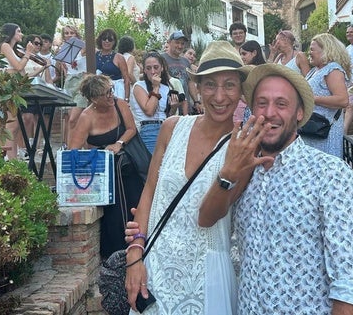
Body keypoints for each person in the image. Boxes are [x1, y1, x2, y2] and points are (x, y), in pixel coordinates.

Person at [197, 63, 353, 314]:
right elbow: (206, 221)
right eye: (262, 103)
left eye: (281, 104)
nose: (269, 113)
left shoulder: (330, 174)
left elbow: (349, 282)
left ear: (299, 112)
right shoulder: (244, 171)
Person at [124, 41, 252, 314]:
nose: (219, 96)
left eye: (229, 85)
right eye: (210, 85)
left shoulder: (242, 147)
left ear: (242, 90)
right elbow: (150, 192)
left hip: (208, 274)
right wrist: (135, 253)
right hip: (155, 265)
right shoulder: (172, 128)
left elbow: (218, 211)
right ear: (197, 88)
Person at [68, 74, 143, 259]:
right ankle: (115, 254)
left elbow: (131, 129)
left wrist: (119, 143)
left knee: (137, 203)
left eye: (111, 90)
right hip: (106, 174)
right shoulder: (86, 117)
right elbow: (73, 149)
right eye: (105, 94)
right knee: (113, 214)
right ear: (94, 99)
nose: (111, 96)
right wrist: (96, 152)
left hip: (128, 166)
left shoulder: (120, 105)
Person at [0, 23, 47, 160]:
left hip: (16, 87)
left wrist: (42, 68)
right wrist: (28, 53)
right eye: (18, 31)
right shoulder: (5, 46)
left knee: (16, 124)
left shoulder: (14, 49)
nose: (21, 34)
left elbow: (23, 73)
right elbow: (18, 66)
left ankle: (12, 158)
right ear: (11, 33)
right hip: (8, 87)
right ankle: (5, 155)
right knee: (12, 124)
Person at [301, 33, 350, 158]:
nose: (309, 53)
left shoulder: (333, 70)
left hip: (324, 131)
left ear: (326, 50)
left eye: (312, 49)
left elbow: (343, 100)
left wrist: (312, 99)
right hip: (311, 129)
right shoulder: (314, 71)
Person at [130, 52, 180, 153]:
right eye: (148, 68)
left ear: (162, 68)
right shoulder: (139, 86)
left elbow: (168, 115)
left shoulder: (167, 88)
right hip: (147, 129)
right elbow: (149, 111)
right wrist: (156, 87)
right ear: (144, 70)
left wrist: (174, 107)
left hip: (165, 127)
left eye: (156, 67)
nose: (153, 71)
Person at [59, 25, 88, 148]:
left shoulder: (84, 47)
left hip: (81, 81)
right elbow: (65, 69)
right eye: (66, 33)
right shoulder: (63, 50)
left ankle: (76, 147)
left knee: (74, 118)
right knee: (69, 119)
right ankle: (71, 148)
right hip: (69, 82)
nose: (69, 35)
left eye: (72, 32)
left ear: (76, 34)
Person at [162, 30, 198, 114]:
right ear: (169, 42)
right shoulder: (161, 58)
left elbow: (190, 82)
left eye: (182, 44)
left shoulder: (186, 62)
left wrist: (196, 102)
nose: (180, 46)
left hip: (185, 108)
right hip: (168, 107)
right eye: (177, 42)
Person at [233, 40, 265, 122]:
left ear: (254, 53)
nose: (241, 57)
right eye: (240, 54)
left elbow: (250, 98)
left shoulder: (250, 71)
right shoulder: (264, 69)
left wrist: (238, 94)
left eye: (244, 54)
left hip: (253, 112)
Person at [95, 28, 130, 102]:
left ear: (114, 42)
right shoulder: (95, 55)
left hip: (116, 91)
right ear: (100, 40)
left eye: (110, 39)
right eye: (104, 39)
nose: (107, 41)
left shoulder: (119, 57)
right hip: (98, 91)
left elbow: (126, 79)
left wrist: (126, 99)